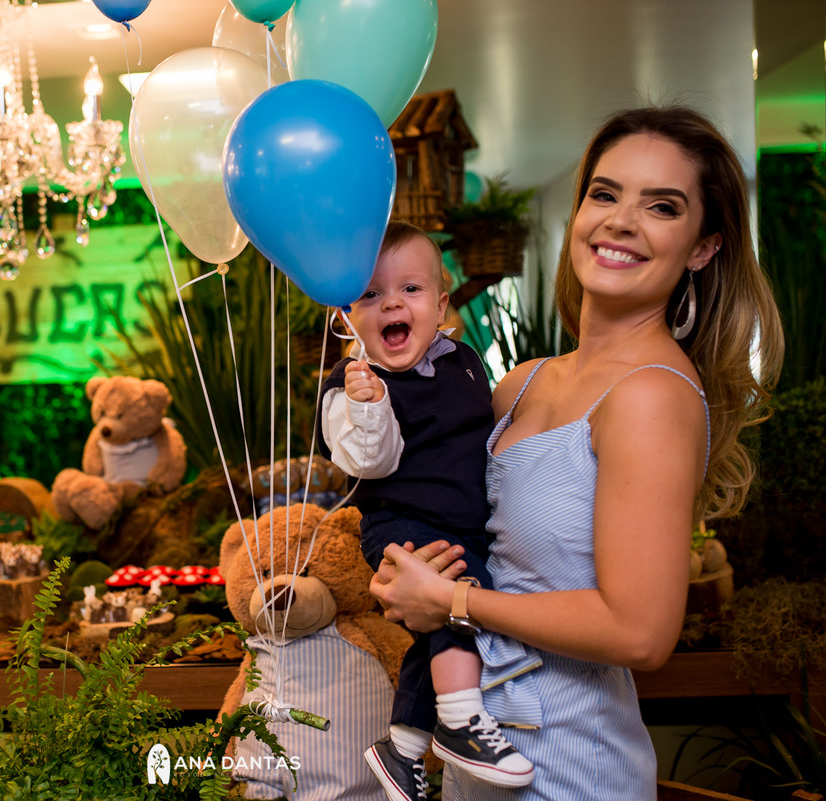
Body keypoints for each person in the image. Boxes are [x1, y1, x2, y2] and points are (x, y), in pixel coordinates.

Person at [369, 105, 784, 801]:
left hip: (571, 769)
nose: (621, 220)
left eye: (662, 206)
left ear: (703, 247)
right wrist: (403, 572)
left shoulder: (652, 394)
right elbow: (446, 516)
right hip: (482, 758)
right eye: (605, 192)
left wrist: (453, 598)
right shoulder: (522, 382)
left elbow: (641, 632)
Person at [318, 220, 534, 800]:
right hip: (401, 520)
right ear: (347, 316)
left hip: (464, 520)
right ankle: (463, 721)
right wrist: (369, 407)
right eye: (370, 294)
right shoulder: (352, 384)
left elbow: (480, 437)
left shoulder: (464, 360)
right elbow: (369, 460)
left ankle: (403, 747)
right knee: (454, 601)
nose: (391, 301)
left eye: (411, 290)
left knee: (431, 634)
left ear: (441, 306)